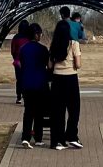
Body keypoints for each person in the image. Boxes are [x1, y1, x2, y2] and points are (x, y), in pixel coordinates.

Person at [48, 17, 82, 150]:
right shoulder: (74, 44)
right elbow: (78, 65)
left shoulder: (53, 45)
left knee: (58, 111)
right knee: (74, 109)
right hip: (71, 78)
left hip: (57, 79)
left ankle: (57, 140)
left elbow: (50, 65)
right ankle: (72, 135)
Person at [18, 24, 49, 147]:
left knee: (28, 111)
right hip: (40, 83)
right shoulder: (43, 49)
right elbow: (49, 65)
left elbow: (21, 64)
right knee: (39, 112)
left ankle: (25, 137)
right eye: (40, 33)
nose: (41, 35)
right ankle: (38, 138)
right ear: (36, 34)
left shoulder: (23, 49)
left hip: (26, 83)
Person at [11, 19, 31, 105]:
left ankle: (19, 97)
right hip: (28, 62)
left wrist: (16, 58)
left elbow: (13, 50)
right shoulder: (29, 37)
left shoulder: (16, 37)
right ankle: (27, 97)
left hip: (18, 61)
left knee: (19, 80)